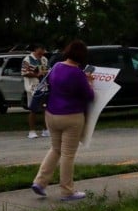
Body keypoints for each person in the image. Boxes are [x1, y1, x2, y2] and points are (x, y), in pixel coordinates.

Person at [30, 39, 95, 201]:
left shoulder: (57, 67)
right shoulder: (78, 74)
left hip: (51, 114)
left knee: (55, 149)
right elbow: (89, 96)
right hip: (71, 117)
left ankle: (40, 182)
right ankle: (67, 191)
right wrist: (90, 82)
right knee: (67, 154)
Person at [23, 44, 51, 138]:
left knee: (45, 108)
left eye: (44, 49)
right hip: (32, 88)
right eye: (41, 49)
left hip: (43, 86)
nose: (42, 52)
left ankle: (46, 129)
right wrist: (37, 74)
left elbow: (47, 70)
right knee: (33, 109)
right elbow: (24, 72)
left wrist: (46, 72)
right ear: (36, 49)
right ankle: (32, 131)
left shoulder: (44, 59)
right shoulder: (27, 59)